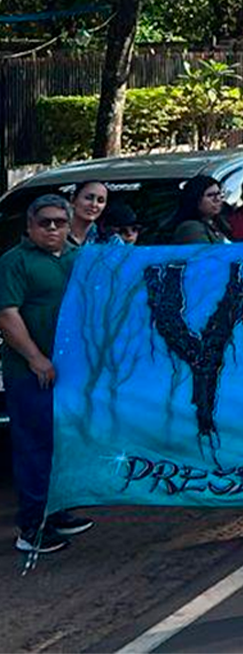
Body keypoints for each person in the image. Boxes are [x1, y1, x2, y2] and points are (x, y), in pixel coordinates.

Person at [1, 194, 91, 554]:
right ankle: (31, 528)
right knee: (34, 448)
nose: (52, 228)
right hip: (31, 373)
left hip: (70, 372)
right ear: (29, 227)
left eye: (59, 221)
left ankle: (56, 513)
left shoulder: (75, 259)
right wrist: (35, 358)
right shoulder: (14, 262)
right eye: (45, 222)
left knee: (62, 444)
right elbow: (7, 315)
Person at [168, 175, 231, 244]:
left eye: (219, 194)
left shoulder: (218, 222)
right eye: (210, 195)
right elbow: (208, 253)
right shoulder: (191, 228)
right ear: (195, 200)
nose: (217, 199)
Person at [67, 181, 108, 246]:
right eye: (88, 198)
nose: (94, 204)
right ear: (72, 200)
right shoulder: (53, 235)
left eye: (100, 201)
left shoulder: (110, 240)